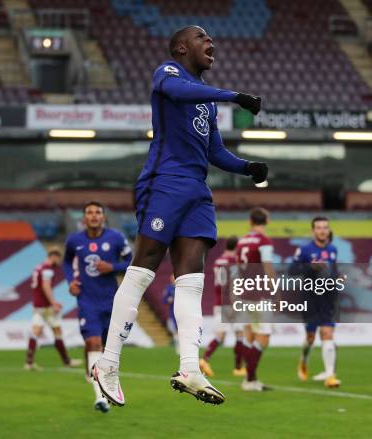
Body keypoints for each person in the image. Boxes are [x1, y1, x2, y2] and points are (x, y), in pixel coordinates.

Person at [92, 24, 268, 407]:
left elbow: (214, 152)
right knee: (142, 270)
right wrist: (233, 96)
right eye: (202, 38)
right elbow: (179, 91)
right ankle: (107, 364)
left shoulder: (205, 104)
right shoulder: (167, 74)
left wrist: (247, 167)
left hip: (196, 191)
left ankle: (190, 366)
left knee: (191, 281)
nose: (211, 43)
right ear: (180, 47)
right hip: (164, 183)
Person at [64, 201, 133, 412]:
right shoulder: (74, 240)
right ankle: (100, 398)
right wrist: (71, 281)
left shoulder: (116, 238)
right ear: (83, 218)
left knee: (102, 348)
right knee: (94, 343)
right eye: (89, 213)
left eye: (97, 212)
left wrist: (113, 267)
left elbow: (131, 261)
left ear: (103, 217)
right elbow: (67, 262)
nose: (93, 216)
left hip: (111, 300)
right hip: (87, 300)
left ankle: (91, 370)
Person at [290, 216, 341, 388]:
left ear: (328, 230)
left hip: (328, 297)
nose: (322, 230)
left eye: (325, 227)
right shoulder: (304, 250)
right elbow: (292, 271)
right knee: (311, 338)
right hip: (310, 298)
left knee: (327, 334)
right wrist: (310, 266)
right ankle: (304, 359)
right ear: (313, 231)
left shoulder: (333, 249)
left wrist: (336, 278)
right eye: (319, 227)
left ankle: (330, 376)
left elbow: (334, 270)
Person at [235, 208, 276, 391]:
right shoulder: (263, 241)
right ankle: (250, 380)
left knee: (249, 336)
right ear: (267, 221)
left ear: (250, 222)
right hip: (259, 294)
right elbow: (267, 267)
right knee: (263, 337)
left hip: (245, 292)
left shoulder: (242, 241)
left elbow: (238, 268)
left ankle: (250, 378)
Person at [25, 248, 81, 371]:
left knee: (36, 331)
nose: (58, 261)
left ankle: (29, 363)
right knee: (56, 332)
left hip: (37, 306)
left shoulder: (38, 268)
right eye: (58, 258)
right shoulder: (47, 270)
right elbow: (46, 287)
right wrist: (54, 303)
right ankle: (67, 361)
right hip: (46, 307)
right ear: (53, 256)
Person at [199, 235, 246, 378]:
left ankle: (206, 359)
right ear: (236, 247)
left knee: (221, 334)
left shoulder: (218, 261)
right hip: (230, 302)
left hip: (219, 301)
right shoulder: (233, 261)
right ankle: (237, 368)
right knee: (239, 334)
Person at [162, 274, 179, 353]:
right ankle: (177, 348)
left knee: (181, 331)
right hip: (173, 313)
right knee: (176, 331)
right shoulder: (169, 289)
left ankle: (182, 348)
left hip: (181, 312)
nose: (174, 280)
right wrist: (169, 300)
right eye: (173, 278)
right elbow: (164, 300)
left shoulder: (180, 288)